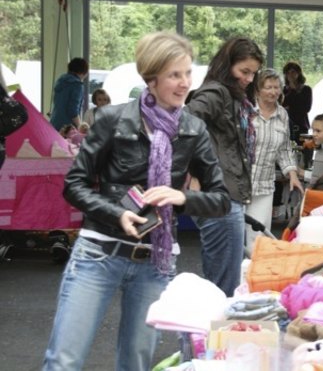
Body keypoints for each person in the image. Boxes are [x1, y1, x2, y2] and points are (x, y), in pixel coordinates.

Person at [42, 31, 231, 371]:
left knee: (136, 364)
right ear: (151, 77)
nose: (185, 83)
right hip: (98, 254)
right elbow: (74, 185)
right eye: (175, 74)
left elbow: (221, 200)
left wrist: (181, 197)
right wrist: (117, 214)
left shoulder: (193, 129)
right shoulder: (112, 119)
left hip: (154, 263)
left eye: (188, 73)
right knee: (63, 361)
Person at [186, 37, 263, 296]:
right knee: (224, 289)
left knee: (223, 283)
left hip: (226, 195)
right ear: (227, 64)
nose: (249, 79)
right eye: (244, 71)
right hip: (220, 198)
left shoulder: (231, 96)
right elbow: (183, 125)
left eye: (253, 73)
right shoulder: (216, 92)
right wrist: (194, 172)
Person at [245, 68, 303, 254]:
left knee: (258, 238)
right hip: (240, 182)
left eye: (277, 87)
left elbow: (284, 148)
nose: (273, 91)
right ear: (258, 90)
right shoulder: (246, 111)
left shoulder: (282, 114)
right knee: (232, 234)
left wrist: (292, 174)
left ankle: (254, 270)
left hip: (264, 185)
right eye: (268, 87)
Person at [49, 57, 89, 131]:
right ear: (83, 72)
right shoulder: (77, 85)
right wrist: (80, 127)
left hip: (54, 123)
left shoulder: (61, 80)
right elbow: (73, 111)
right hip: (67, 129)